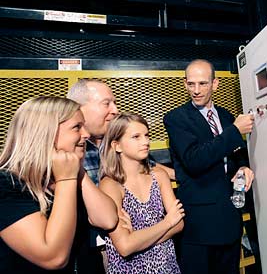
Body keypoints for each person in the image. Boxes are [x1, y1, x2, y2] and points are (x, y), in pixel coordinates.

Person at [66, 79, 175, 272]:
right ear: (80, 108)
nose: (115, 109)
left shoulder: (114, 144)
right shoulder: (71, 150)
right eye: (106, 103)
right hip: (88, 248)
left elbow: (150, 167)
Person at [163, 59, 255, 274]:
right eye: (190, 84)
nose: (196, 90)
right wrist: (233, 131)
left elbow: (238, 152)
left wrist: (243, 167)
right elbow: (194, 161)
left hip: (229, 217)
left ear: (215, 84)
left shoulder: (225, 116)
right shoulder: (176, 119)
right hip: (200, 225)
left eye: (203, 84)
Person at [0, 96, 89, 273]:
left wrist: (76, 173)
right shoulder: (5, 184)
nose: (86, 134)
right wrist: (66, 180)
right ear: (45, 132)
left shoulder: (60, 176)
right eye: (77, 127)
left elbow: (108, 219)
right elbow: (53, 257)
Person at [99, 112, 185, 274]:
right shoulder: (110, 185)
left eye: (146, 135)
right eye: (136, 137)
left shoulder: (159, 176)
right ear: (117, 146)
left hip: (167, 266)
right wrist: (167, 223)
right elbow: (124, 247)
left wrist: (138, 240)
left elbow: (179, 223)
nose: (145, 141)